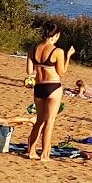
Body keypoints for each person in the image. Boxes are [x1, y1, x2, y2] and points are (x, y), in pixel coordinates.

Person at [26, 25, 67, 162]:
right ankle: (44, 154)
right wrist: (68, 58)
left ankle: (31, 151)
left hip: (39, 86)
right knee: (49, 122)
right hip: (53, 85)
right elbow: (61, 72)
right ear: (55, 36)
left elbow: (29, 71)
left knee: (39, 121)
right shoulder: (57, 51)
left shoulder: (33, 49)